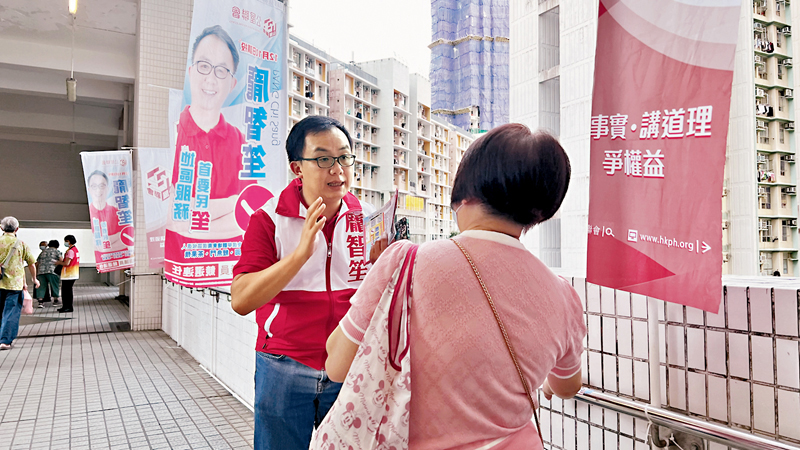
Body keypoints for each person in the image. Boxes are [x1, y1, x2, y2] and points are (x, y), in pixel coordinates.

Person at [325, 124, 587, 449]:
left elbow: (337, 364)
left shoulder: (405, 262)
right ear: (542, 210)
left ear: (466, 194)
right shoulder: (563, 296)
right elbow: (566, 386)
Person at [230, 116, 385, 450]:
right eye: (323, 159)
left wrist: (384, 267)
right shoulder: (268, 219)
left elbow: (380, 298)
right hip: (283, 365)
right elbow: (240, 300)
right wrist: (300, 254)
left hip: (348, 363)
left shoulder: (368, 218)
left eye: (344, 157)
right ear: (297, 168)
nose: (337, 169)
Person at [169, 24, 255, 239]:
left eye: (221, 70)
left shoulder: (243, 143)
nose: (211, 78)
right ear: (190, 72)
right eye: (204, 66)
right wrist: (230, 204)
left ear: (232, 84)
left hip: (228, 257)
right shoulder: (171, 133)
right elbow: (168, 216)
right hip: (182, 257)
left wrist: (190, 221)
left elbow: (247, 215)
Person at [0, 217, 39, 350]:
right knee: (11, 313)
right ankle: (5, 341)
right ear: (17, 229)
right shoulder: (21, 244)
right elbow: (31, 263)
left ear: (1, 228)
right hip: (14, 285)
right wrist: (34, 279)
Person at [86, 170, 123, 255]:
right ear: (89, 190)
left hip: (119, 259)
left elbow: (126, 239)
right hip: (99, 260)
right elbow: (93, 244)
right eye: (94, 186)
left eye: (102, 186)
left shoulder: (118, 213)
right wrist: (117, 237)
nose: (98, 190)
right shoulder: (88, 213)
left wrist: (104, 246)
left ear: (107, 189)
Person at [56, 235, 80, 313]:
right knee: (68, 291)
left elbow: (66, 263)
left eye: (66, 241)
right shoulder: (75, 250)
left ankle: (67, 307)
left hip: (69, 274)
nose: (65, 243)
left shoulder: (70, 251)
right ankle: (66, 306)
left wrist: (58, 262)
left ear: (69, 241)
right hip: (73, 273)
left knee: (66, 292)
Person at [35, 240, 62, 307]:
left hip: (41, 271)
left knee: (41, 286)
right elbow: (61, 260)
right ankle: (55, 300)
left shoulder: (43, 252)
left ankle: (40, 302)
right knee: (54, 285)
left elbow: (37, 262)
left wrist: (36, 272)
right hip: (52, 271)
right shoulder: (57, 251)